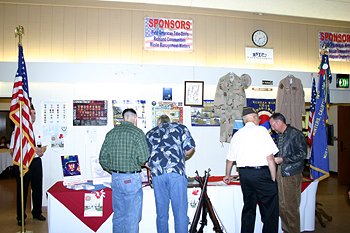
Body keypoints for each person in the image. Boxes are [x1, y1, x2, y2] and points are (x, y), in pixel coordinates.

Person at [223, 107, 279, 233]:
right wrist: (273, 178)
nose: (259, 120)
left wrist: (227, 175)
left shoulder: (237, 134)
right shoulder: (261, 131)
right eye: (258, 118)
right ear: (254, 117)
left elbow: (229, 160)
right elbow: (270, 158)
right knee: (270, 210)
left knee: (249, 208)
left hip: (244, 175)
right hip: (261, 174)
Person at [99, 108, 149, 233]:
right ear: (135, 118)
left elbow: (102, 159)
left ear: (123, 118)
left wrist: (113, 171)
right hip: (132, 179)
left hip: (116, 178)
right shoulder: (138, 133)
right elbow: (143, 158)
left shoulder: (111, 133)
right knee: (132, 216)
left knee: (118, 215)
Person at [146, 115, 195, 233]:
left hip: (158, 175)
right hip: (176, 172)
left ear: (158, 123)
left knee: (162, 214)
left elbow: (144, 158)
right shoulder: (180, 128)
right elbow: (190, 149)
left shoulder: (150, 133)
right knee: (180, 213)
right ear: (169, 121)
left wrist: (152, 165)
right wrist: (182, 157)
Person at [10, 103, 47, 226]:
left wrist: (41, 151)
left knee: (37, 188)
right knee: (22, 189)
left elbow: (43, 145)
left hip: (36, 162)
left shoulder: (38, 128)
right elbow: (12, 149)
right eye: (31, 112)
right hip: (23, 163)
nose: (33, 115)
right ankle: (21, 216)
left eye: (34, 112)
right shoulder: (18, 129)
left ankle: (36, 212)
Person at [269, 112, 307, 233]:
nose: (271, 127)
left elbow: (303, 154)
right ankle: (287, 230)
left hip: (291, 174)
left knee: (290, 207)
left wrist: (283, 159)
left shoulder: (296, 134)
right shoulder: (280, 135)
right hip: (282, 172)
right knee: (282, 205)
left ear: (279, 122)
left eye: (272, 124)